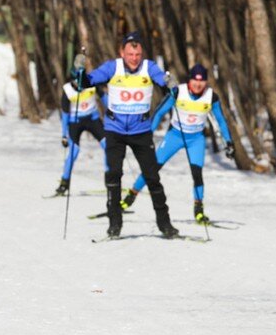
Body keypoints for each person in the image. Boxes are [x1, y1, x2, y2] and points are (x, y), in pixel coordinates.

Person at [76, 31, 178, 238]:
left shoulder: (149, 67)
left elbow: (162, 80)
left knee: (152, 177)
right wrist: (79, 71)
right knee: (113, 176)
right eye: (130, 54)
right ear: (122, 52)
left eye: (137, 54)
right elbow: (87, 82)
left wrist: (170, 82)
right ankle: (115, 224)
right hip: (115, 131)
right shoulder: (113, 67)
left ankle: (165, 224)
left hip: (141, 132)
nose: (134, 59)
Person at [121, 64, 235, 223]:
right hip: (174, 136)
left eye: (202, 82)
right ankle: (130, 196)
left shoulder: (211, 97)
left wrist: (228, 142)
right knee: (152, 168)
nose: (198, 85)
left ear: (206, 83)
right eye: (195, 81)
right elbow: (159, 112)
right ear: (190, 80)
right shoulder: (177, 92)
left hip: (196, 139)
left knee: (197, 173)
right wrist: (148, 133)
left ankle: (199, 210)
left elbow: (221, 121)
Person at [54, 66, 106, 196]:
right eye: (76, 82)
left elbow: (105, 99)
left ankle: (111, 180)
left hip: (93, 120)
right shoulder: (67, 91)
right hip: (75, 122)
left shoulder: (92, 83)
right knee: (74, 152)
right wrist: (64, 135)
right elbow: (65, 116)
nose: (79, 85)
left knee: (108, 146)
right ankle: (64, 183)